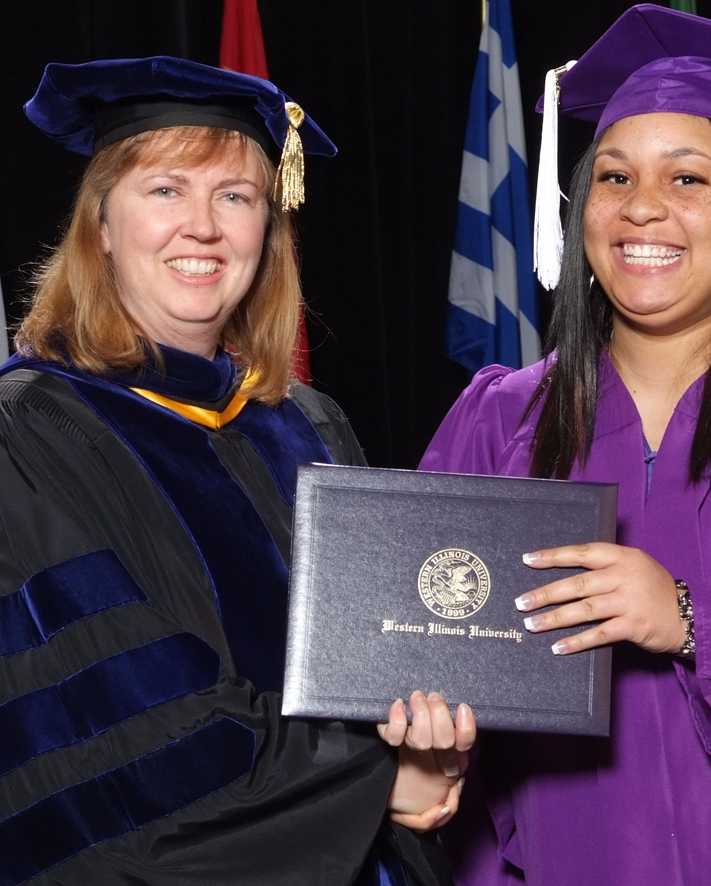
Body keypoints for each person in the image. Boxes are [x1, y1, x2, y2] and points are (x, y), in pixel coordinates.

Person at [420, 4, 711, 884]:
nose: (643, 207)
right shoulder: (503, 419)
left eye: (687, 178)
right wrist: (420, 758)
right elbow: (426, 643)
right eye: (613, 177)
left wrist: (691, 618)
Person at [0, 56, 474, 886]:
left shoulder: (307, 425)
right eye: (166, 190)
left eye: (236, 197)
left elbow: (386, 657)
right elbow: (125, 718)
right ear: (101, 224)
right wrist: (372, 782)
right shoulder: (31, 428)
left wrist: (430, 746)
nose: (203, 228)